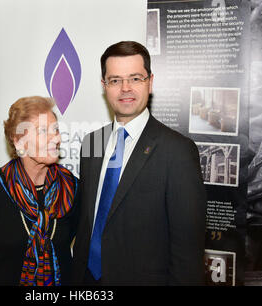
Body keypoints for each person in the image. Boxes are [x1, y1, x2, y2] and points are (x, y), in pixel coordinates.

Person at [71, 41, 206, 285]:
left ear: (150, 82)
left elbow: (187, 253)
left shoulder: (177, 151)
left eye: (135, 78)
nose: (125, 88)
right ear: (104, 86)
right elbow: (87, 221)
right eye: (115, 80)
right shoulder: (92, 142)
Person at [0, 96, 79, 286]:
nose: (56, 138)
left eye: (56, 130)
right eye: (43, 131)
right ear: (19, 142)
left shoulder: (71, 188)